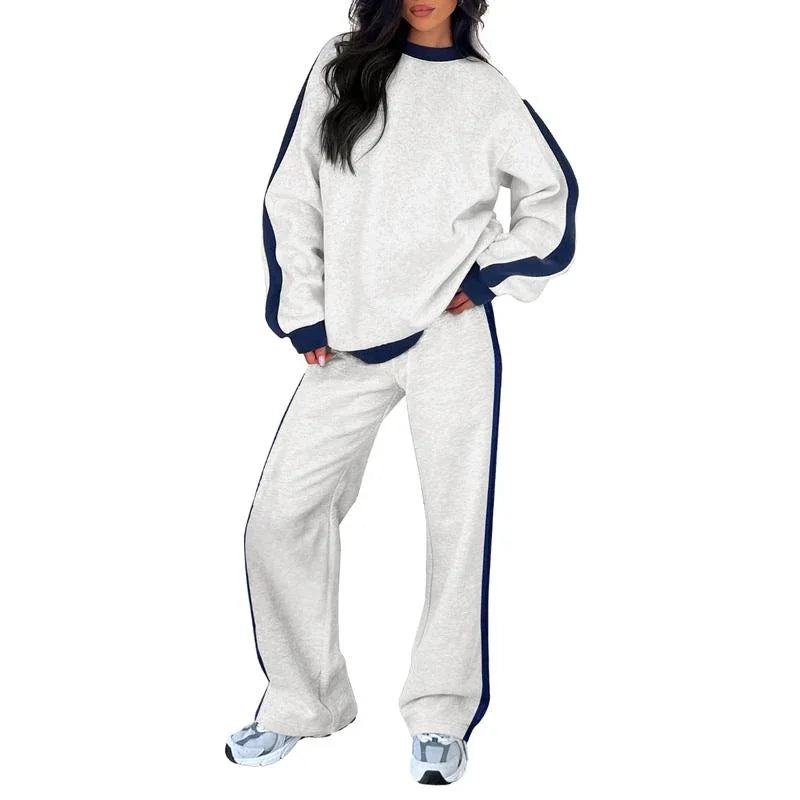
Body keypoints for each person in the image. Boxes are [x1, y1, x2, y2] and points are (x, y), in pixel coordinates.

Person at [226, 0, 577, 784]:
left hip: (451, 333)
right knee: (282, 514)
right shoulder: (340, 65)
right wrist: (305, 307)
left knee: (456, 523)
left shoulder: (486, 92)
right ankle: (303, 701)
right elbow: (293, 192)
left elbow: (551, 203)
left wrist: (485, 277)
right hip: (347, 338)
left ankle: (441, 712)